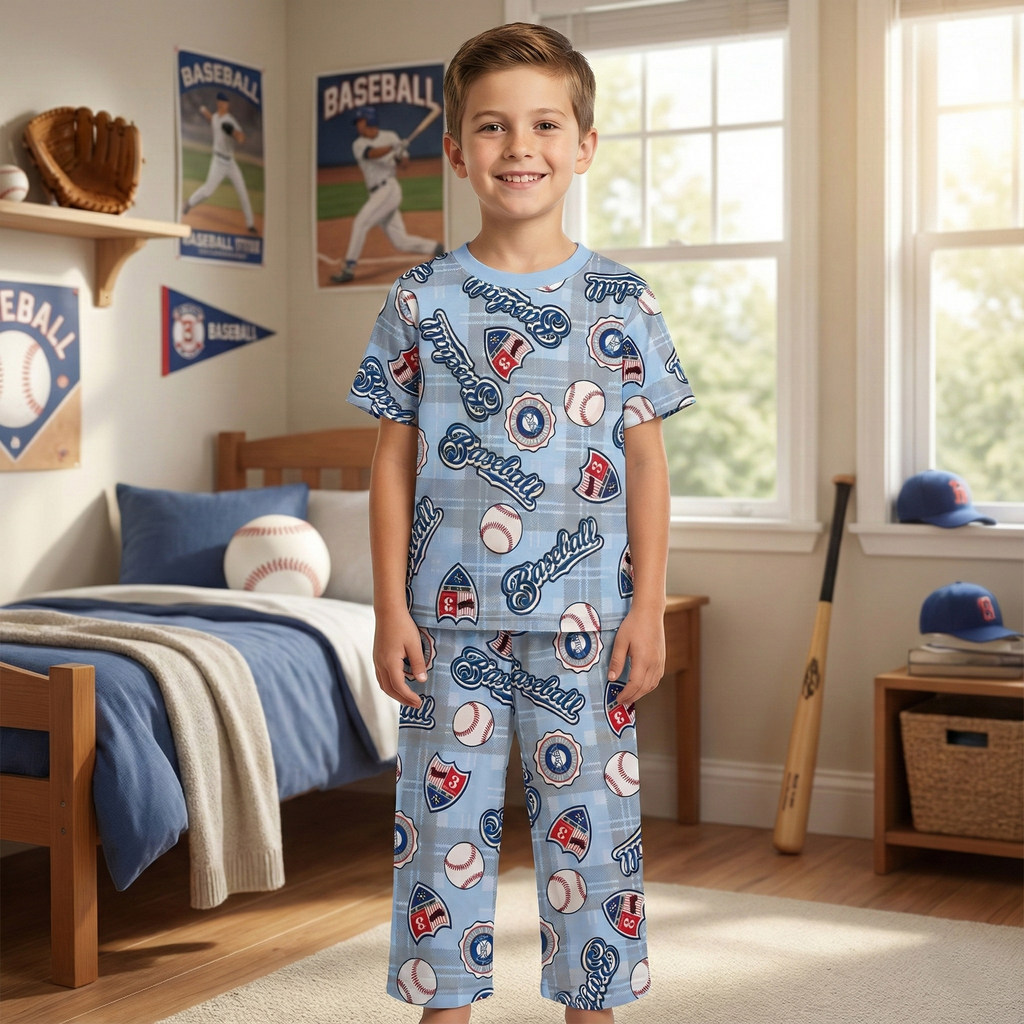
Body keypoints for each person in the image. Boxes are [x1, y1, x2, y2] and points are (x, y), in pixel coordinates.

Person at [346, 22, 695, 1023]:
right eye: (491, 127)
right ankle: (441, 1008)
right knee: (437, 831)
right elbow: (390, 460)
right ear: (455, 151)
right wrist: (387, 610)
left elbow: (646, 463)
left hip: (589, 622)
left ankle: (592, 1007)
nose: (518, 146)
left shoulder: (621, 299)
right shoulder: (419, 299)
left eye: (544, 123)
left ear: (583, 145)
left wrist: (650, 608)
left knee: (592, 835)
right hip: (447, 620)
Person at [330, 105, 444, 284]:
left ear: (370, 121)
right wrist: (393, 147)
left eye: (360, 121)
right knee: (400, 241)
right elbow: (372, 154)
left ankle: (348, 268)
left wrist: (399, 155)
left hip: (388, 190)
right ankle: (437, 247)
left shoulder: (390, 135)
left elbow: (405, 164)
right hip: (376, 194)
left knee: (361, 222)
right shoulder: (359, 143)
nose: (358, 126)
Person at [182, 91, 257, 234]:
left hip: (230, 162)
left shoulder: (230, 121)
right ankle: (189, 203)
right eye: (221, 103)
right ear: (218, 104)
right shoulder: (216, 117)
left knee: (242, 191)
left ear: (227, 105)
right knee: (208, 191)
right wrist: (204, 111)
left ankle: (250, 224)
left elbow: (241, 139)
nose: (223, 105)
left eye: (225, 103)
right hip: (217, 161)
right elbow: (212, 119)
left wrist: (232, 132)